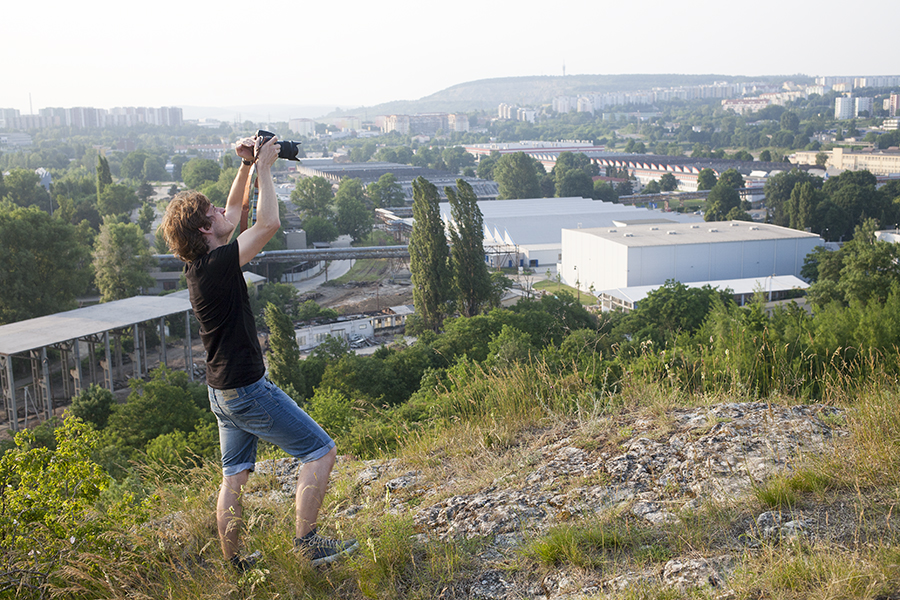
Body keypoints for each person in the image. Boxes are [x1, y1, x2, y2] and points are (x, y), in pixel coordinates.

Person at [160, 134, 357, 570]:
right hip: (247, 390)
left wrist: (247, 166)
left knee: (233, 478)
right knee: (320, 451)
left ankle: (235, 564)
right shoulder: (217, 266)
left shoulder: (202, 264)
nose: (221, 210)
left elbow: (235, 212)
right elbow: (266, 225)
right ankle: (307, 545)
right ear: (203, 230)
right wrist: (266, 168)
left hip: (221, 393)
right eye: (210, 210)